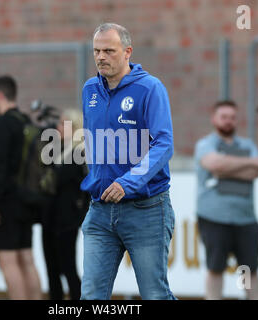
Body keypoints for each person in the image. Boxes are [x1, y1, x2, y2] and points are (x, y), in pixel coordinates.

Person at [80, 23, 176, 300]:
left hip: (146, 210)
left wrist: (128, 182)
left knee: (155, 295)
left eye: (109, 50)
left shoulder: (150, 88)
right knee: (91, 297)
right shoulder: (90, 90)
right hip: (100, 211)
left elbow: (164, 144)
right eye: (96, 51)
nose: (101, 57)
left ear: (127, 52)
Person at [194, 100, 258, 300]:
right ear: (214, 119)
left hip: (245, 219)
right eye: (224, 117)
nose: (228, 121)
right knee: (216, 268)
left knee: (247, 270)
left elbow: (257, 169)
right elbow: (214, 163)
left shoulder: (247, 145)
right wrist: (245, 164)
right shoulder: (205, 144)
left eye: (232, 117)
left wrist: (225, 169)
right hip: (214, 218)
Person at [0, 75, 42, 300]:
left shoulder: (3, 125)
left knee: (7, 262)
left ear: (0, 95)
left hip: (7, 203)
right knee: (26, 259)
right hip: (27, 200)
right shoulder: (25, 121)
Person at [41, 109, 89, 300]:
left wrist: (79, 216)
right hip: (50, 217)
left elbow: (84, 191)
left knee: (68, 267)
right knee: (51, 269)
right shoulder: (57, 151)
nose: (57, 128)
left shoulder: (81, 154)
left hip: (67, 219)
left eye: (62, 124)